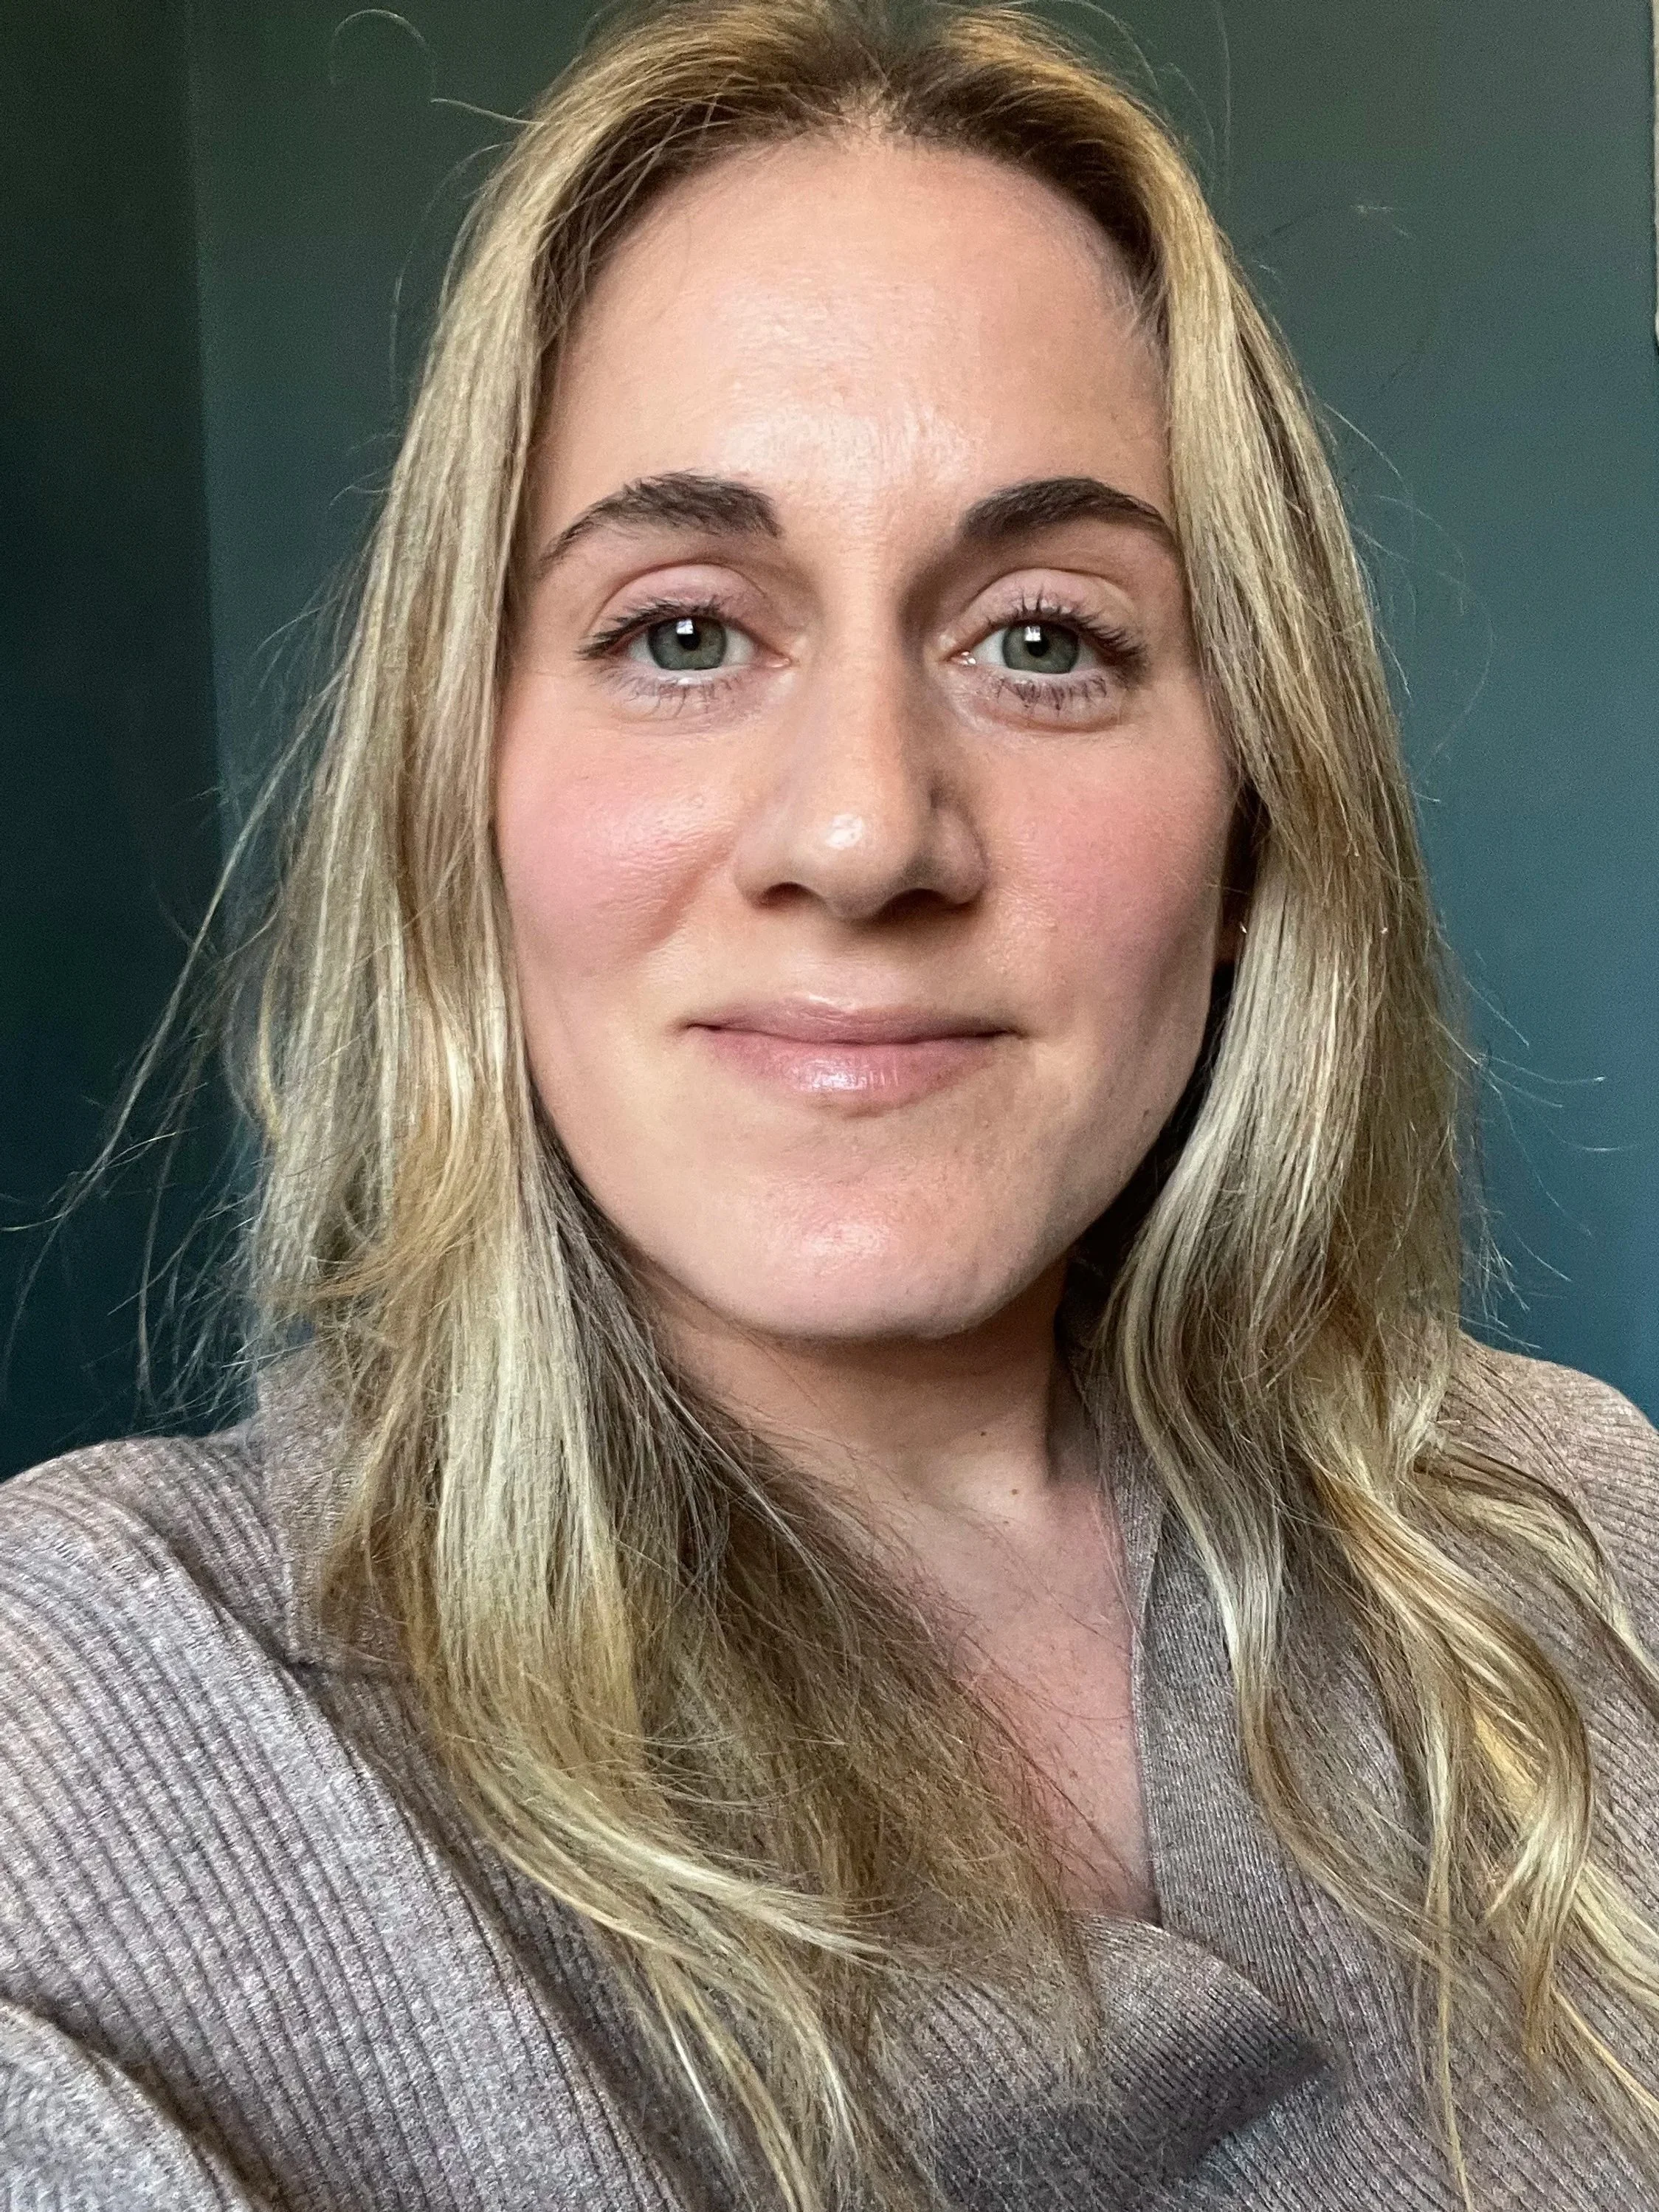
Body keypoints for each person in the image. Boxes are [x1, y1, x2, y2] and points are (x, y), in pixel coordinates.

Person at [2, 1, 1656, 2206]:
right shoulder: (96, 1726)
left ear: (1256, 815)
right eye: (684, 632)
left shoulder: (1575, 1538)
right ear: (457, 789)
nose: (868, 832)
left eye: (1047, 637)